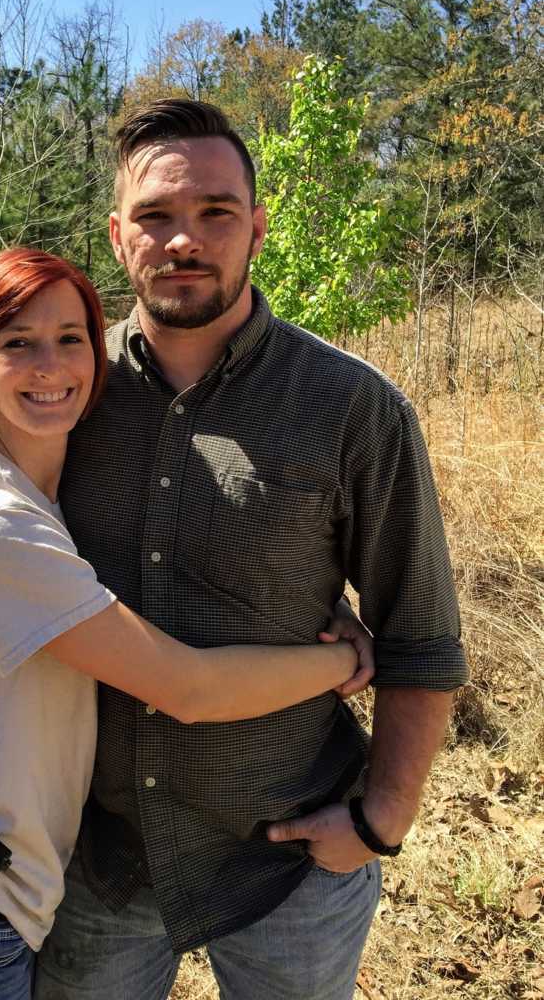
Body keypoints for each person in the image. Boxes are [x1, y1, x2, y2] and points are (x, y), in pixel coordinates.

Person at [0, 247, 375, 1000]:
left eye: (71, 339)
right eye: (16, 343)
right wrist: (342, 662)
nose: (50, 365)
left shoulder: (49, 490)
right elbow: (185, 687)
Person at [34, 100, 469, 1000]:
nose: (183, 240)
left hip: (291, 865)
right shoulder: (64, 393)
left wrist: (381, 820)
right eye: (155, 216)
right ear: (118, 237)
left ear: (257, 229)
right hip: (97, 860)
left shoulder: (353, 407)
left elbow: (422, 635)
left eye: (215, 213)